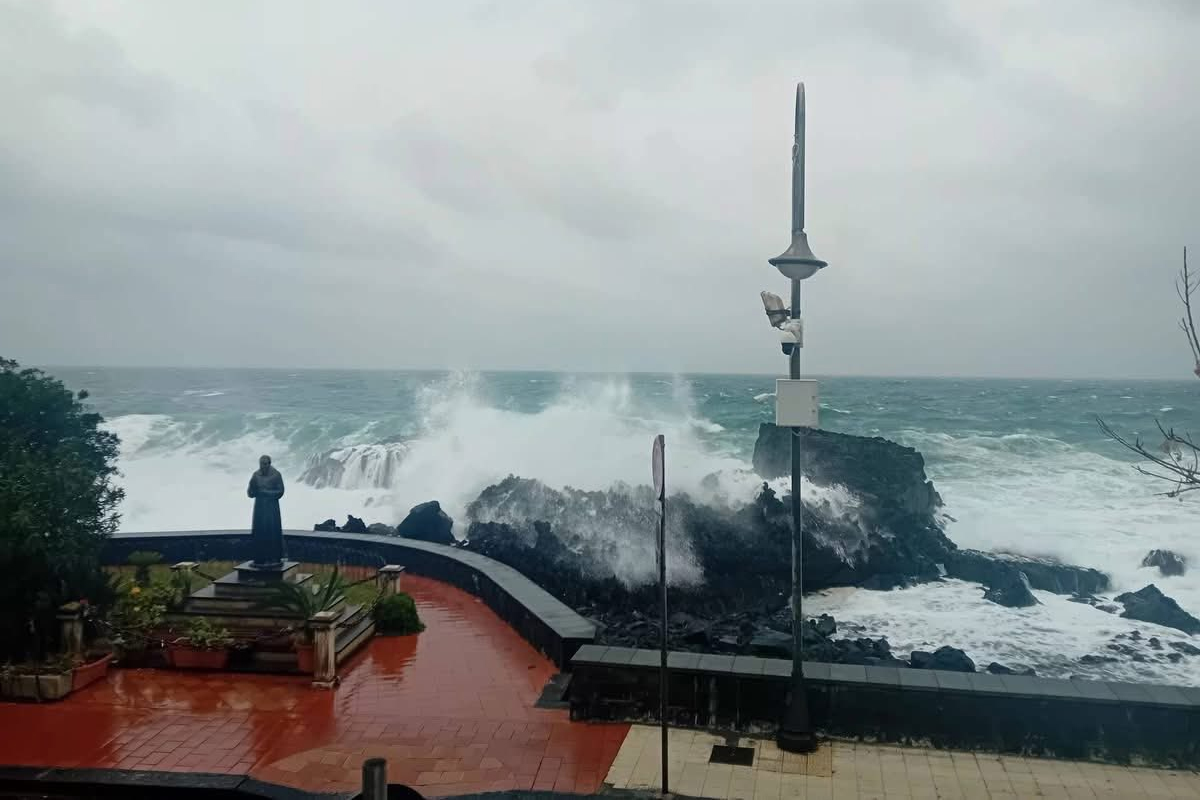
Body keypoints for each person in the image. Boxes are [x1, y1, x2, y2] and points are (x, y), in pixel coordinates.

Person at [247, 454, 285, 569]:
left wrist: (266, 493)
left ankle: (274, 558)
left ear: (269, 464)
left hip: (271, 509)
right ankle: (259, 558)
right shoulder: (256, 475)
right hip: (259, 509)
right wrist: (253, 489)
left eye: (264, 464)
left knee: (272, 532)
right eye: (261, 464)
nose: (262, 466)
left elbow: (280, 492)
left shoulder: (276, 475)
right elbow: (250, 493)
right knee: (259, 532)